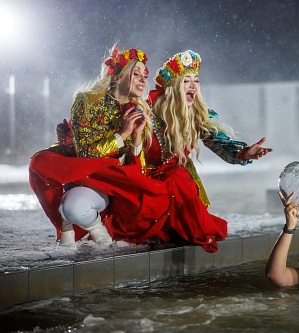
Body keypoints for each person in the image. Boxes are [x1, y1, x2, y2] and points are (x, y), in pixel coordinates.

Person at [109, 49, 272, 252]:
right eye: (186, 81)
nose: (194, 86)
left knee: (177, 178)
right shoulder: (146, 110)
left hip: (175, 176)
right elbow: (127, 152)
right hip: (144, 174)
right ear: (174, 86)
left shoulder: (195, 112)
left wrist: (245, 153)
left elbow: (217, 141)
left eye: (196, 80)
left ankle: (180, 230)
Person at [29, 44, 151, 250]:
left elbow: (137, 168)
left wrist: (137, 137)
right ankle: (93, 232)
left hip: (113, 184)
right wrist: (121, 135)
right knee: (43, 163)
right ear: (119, 76)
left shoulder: (138, 109)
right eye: (136, 73)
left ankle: (77, 225)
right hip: (85, 179)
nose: (142, 79)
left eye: (145, 75)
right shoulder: (88, 100)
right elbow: (85, 154)